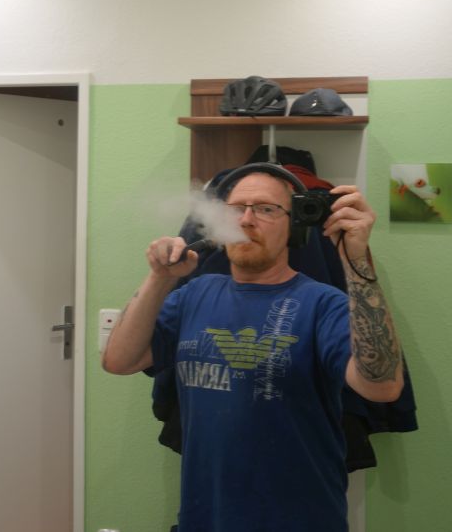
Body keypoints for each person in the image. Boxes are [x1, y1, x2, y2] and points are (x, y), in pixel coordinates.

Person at [102, 163, 404, 532]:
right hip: (204, 519)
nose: (246, 220)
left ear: (294, 227)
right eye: (235, 209)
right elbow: (119, 360)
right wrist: (159, 278)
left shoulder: (323, 304)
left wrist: (355, 261)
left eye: (266, 209)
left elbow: (382, 386)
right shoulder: (193, 294)